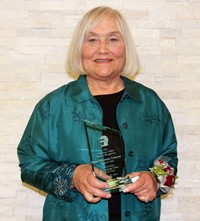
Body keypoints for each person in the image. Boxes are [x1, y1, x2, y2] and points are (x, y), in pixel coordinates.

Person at [17, 6, 178, 221]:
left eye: (113, 39)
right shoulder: (53, 107)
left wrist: (154, 179)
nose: (103, 49)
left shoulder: (150, 104)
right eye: (92, 40)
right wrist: (72, 177)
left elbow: (168, 159)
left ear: (126, 47)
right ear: (79, 48)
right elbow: (29, 164)